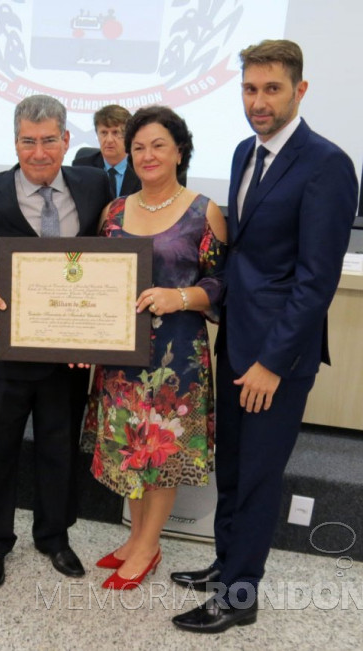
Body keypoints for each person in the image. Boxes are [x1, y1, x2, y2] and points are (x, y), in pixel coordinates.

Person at [170, 40, 358, 633]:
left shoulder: (327, 164)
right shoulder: (243, 153)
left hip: (278, 356)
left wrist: (273, 361)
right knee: (232, 468)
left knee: (257, 476)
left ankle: (239, 597)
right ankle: (227, 564)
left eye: (271, 89)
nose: (258, 101)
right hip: (238, 343)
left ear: (299, 91)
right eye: (250, 88)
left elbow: (315, 280)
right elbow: (247, 255)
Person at [0, 94, 110, 587]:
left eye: (48, 141)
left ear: (65, 140)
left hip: (68, 352)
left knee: (59, 449)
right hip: (7, 346)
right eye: (27, 141)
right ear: (15, 141)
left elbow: (109, 258)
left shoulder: (94, 185)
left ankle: (54, 538)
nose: (38, 152)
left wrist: (100, 332)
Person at [82, 106, 226, 591]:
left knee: (160, 450)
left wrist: (179, 297)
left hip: (176, 356)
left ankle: (147, 543)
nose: (147, 155)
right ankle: (137, 537)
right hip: (122, 354)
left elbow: (222, 284)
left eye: (158, 145)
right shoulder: (114, 211)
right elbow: (99, 279)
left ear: (179, 151)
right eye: (138, 146)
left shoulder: (202, 211)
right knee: (129, 447)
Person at [72, 104, 141, 197]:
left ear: (128, 135)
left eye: (115, 132)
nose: (109, 140)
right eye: (104, 133)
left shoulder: (141, 167)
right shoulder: (81, 168)